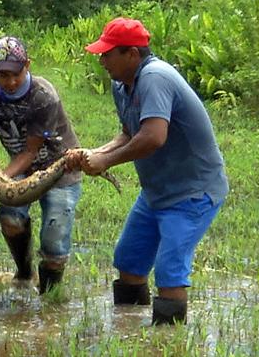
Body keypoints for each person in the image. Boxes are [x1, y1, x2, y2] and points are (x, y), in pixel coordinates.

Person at [69, 17, 228, 324]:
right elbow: (130, 132)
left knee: (169, 272)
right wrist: (96, 152)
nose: (101, 60)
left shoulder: (155, 77)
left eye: (108, 53)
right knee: (128, 261)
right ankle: (131, 336)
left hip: (192, 192)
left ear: (132, 54)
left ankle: (166, 342)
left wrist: (105, 162)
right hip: (157, 191)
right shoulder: (122, 85)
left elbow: (153, 137)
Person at [0, 36, 82, 294]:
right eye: (3, 75)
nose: (10, 81)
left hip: (60, 169)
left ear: (27, 65)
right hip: (24, 170)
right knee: (10, 217)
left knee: (54, 235)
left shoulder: (43, 95)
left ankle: (49, 295)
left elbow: (30, 151)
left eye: (16, 73)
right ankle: (24, 274)